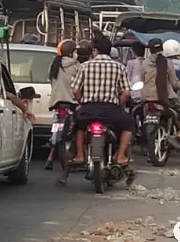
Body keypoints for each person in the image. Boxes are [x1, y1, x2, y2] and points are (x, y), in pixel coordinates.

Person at [68, 36, 134, 167]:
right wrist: (118, 103)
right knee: (129, 124)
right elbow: (127, 93)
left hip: (88, 109)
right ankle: (120, 156)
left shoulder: (84, 66)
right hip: (111, 110)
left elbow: (75, 90)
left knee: (78, 126)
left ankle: (80, 155)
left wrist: (82, 102)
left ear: (94, 50)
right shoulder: (119, 67)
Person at [142, 38, 180, 144]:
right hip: (167, 99)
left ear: (150, 50)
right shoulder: (168, 63)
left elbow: (141, 80)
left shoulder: (144, 63)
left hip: (147, 98)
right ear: (162, 49)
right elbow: (174, 83)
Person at [47, 39, 79, 174]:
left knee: (56, 129)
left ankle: (50, 157)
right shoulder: (77, 66)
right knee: (78, 130)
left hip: (57, 105)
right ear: (72, 53)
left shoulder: (54, 64)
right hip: (72, 104)